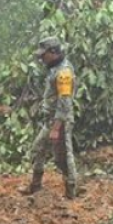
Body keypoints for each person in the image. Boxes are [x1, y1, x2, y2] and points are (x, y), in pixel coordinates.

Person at [21, 38, 79, 198]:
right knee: (38, 149)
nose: (41, 58)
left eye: (43, 55)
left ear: (53, 52)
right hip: (50, 120)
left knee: (63, 157)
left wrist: (56, 128)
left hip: (60, 121)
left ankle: (71, 192)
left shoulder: (64, 72)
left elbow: (65, 103)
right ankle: (35, 186)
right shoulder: (54, 68)